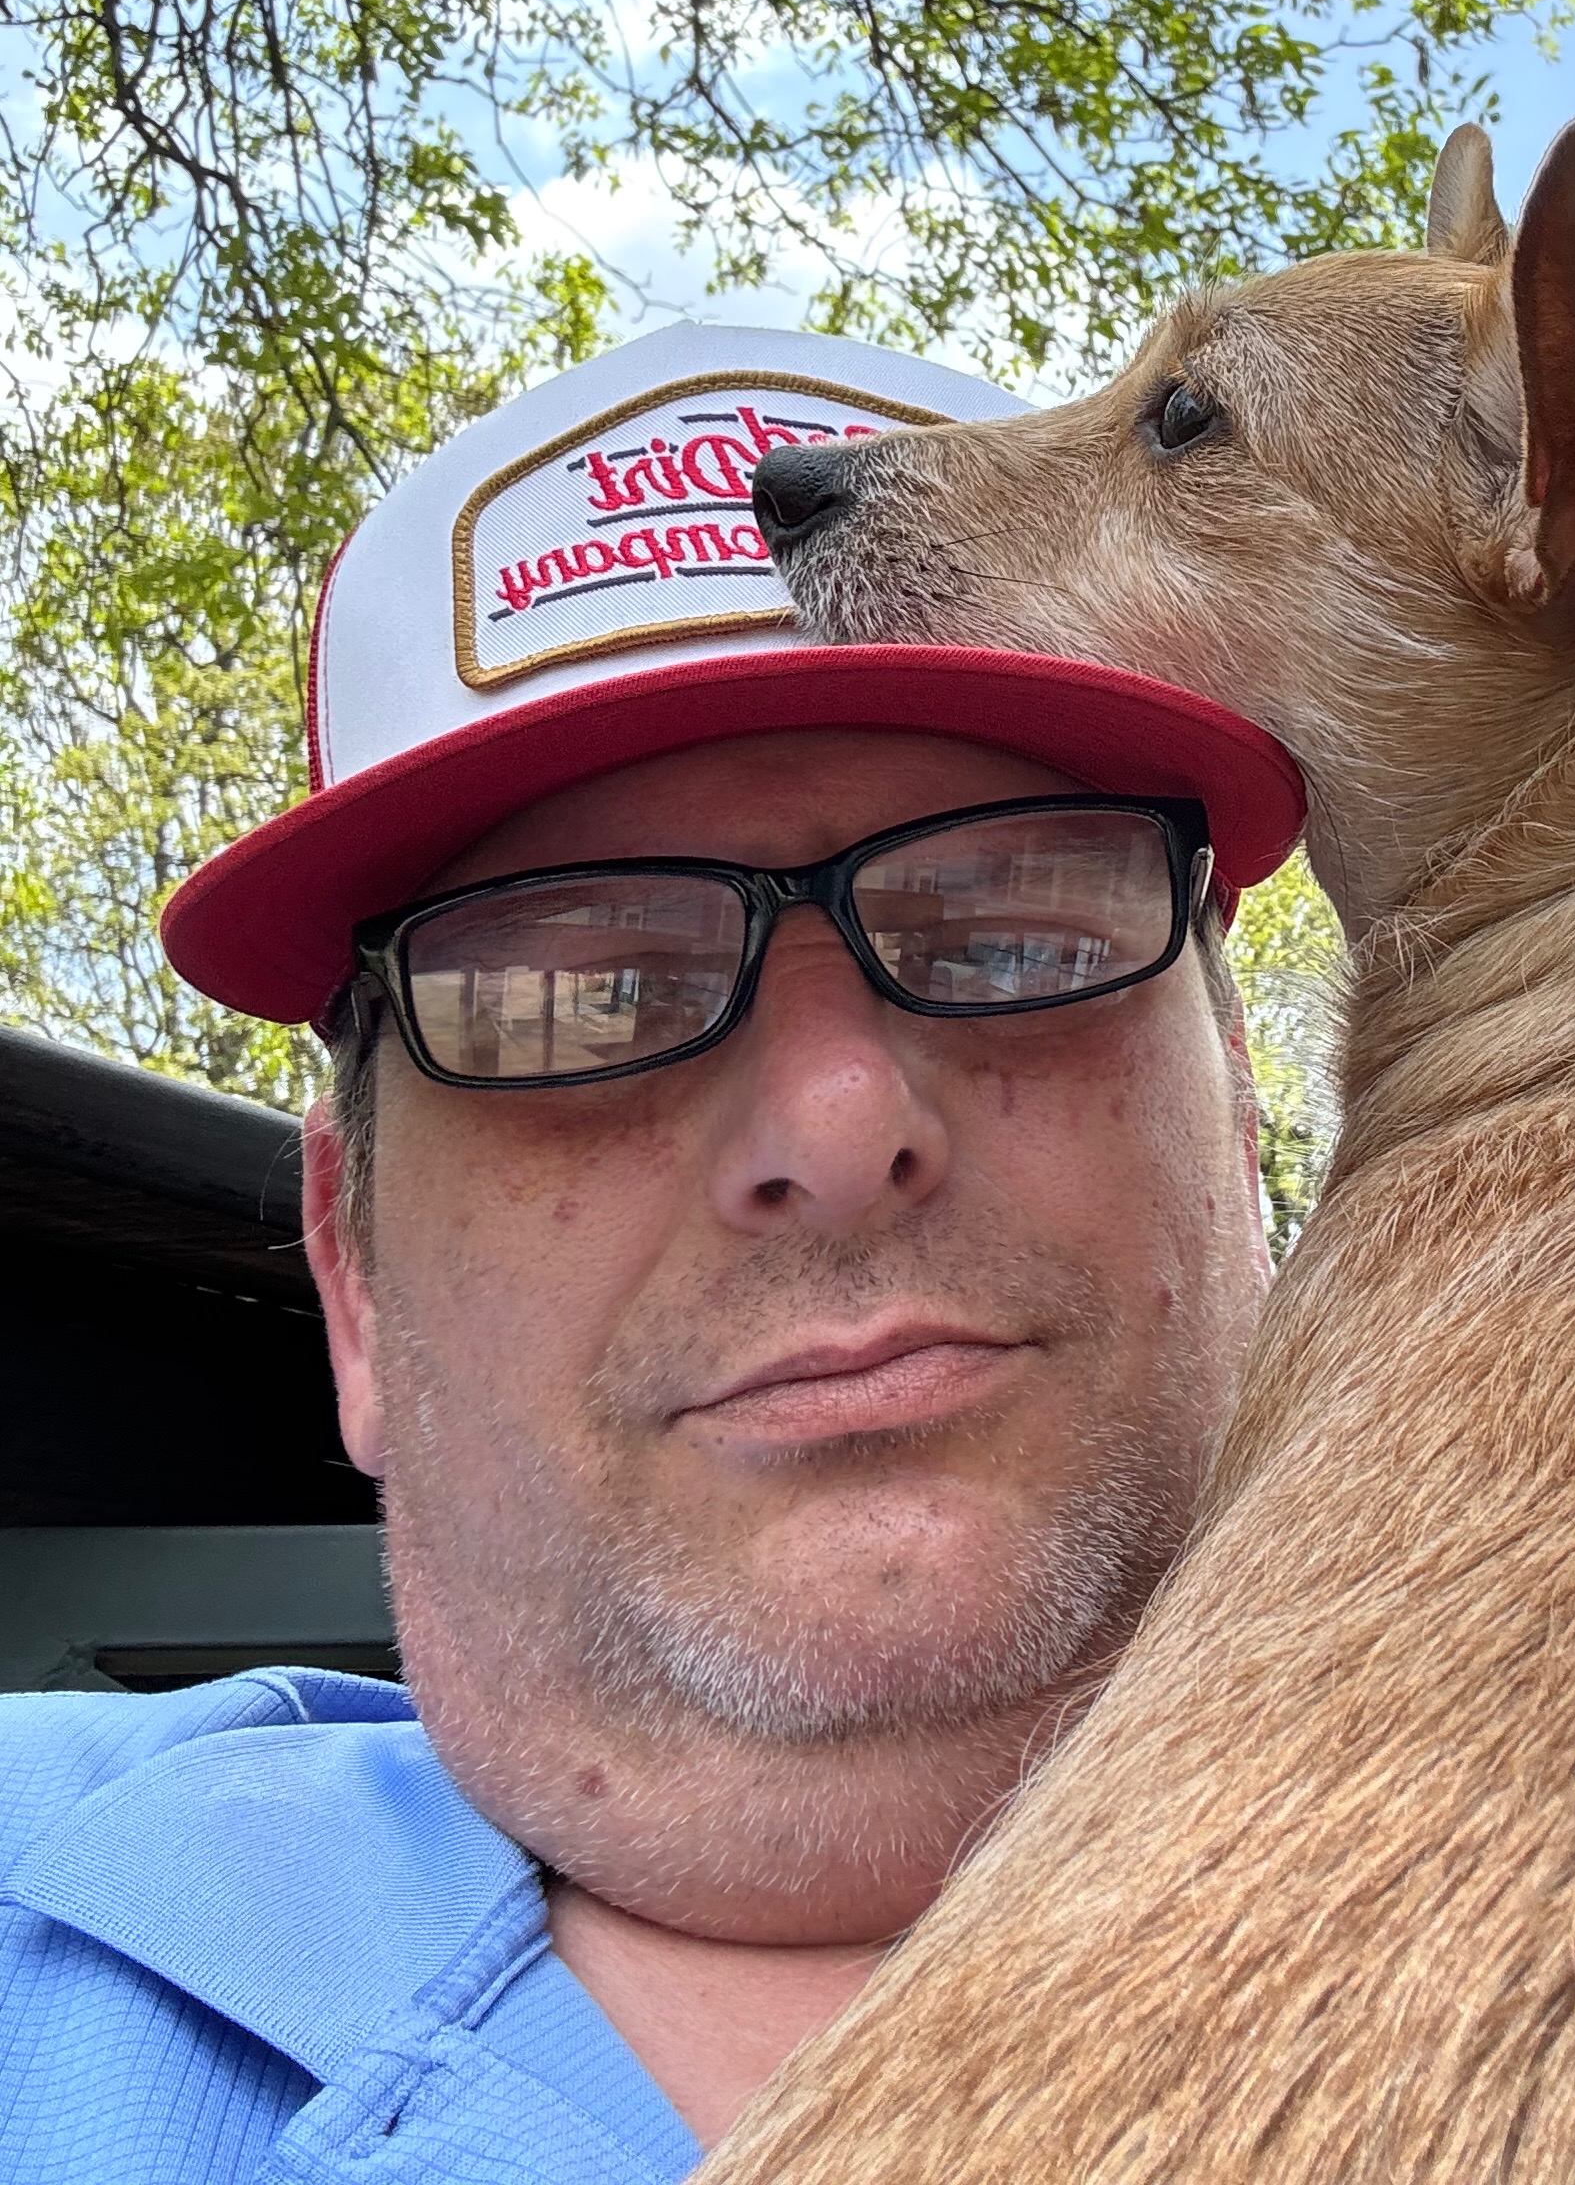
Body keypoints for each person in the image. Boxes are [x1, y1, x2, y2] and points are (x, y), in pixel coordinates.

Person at [0, 324, 1304, 2181]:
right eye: (576, 995)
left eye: (1017, 930)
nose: (837, 1125)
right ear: (353, 1287)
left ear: (1241, 1133)